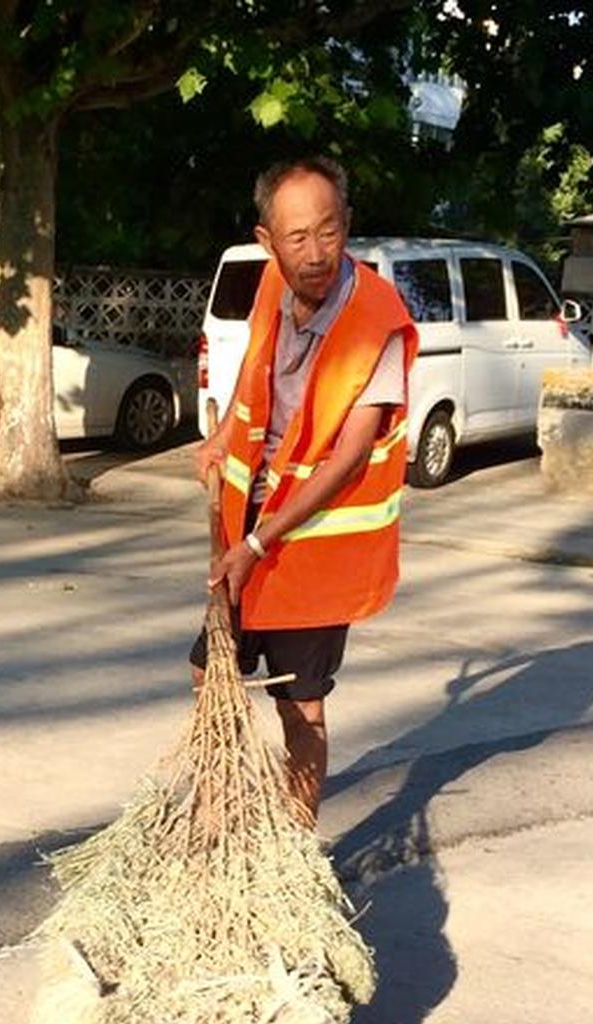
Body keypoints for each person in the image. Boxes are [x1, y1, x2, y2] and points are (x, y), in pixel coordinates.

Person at [191, 157, 418, 823]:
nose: (315, 254)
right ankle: (218, 820)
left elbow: (348, 455)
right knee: (210, 674)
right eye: (297, 239)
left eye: (328, 232)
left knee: (300, 705)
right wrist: (223, 435)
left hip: (313, 554)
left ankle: (293, 844)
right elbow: (254, 361)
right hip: (246, 534)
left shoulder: (377, 317)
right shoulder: (268, 284)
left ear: (346, 225)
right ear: (268, 241)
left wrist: (260, 541)